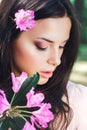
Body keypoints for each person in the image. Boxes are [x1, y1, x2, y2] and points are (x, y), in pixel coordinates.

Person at [0, 0, 87, 130]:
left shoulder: (77, 101)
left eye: (62, 46)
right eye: (42, 46)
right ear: (9, 38)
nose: (56, 60)